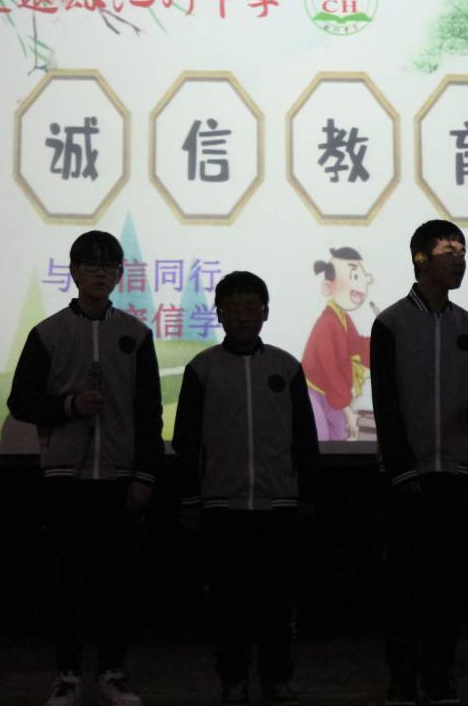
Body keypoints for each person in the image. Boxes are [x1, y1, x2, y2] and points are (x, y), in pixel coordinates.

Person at [7, 230, 163, 706]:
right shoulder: (48, 333)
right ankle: (68, 674)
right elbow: (21, 401)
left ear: (119, 275)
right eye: (91, 265)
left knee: (119, 583)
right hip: (65, 478)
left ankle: (113, 673)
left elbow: (149, 412)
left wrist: (144, 475)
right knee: (67, 582)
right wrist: (70, 405)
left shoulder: (136, 335)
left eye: (109, 266)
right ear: (73, 272)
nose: (100, 273)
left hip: (118, 477)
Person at [172, 271, 320, 705]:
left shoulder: (286, 366)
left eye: (251, 307)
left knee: (278, 602)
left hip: (279, 503)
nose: (242, 316)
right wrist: (189, 498)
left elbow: (305, 437)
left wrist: (308, 494)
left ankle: (276, 677)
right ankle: (233, 679)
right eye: (232, 308)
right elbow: (186, 440)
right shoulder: (201, 368)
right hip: (223, 504)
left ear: (265, 313)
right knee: (228, 603)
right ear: (218, 314)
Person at [370, 219, 468, 706]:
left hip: (458, 475)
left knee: (450, 585)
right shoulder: (391, 322)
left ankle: (439, 674)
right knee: (405, 585)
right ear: (421, 259)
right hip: (409, 478)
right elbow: (385, 402)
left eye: (462, 251)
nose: (460, 260)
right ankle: (402, 676)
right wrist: (403, 469)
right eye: (448, 252)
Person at [302, 246, 373, 441]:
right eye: (354, 277)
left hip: (332, 393)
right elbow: (329, 370)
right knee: (321, 439)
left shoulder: (342, 318)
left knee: (341, 437)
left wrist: (384, 341)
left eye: (361, 276)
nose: (363, 283)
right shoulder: (326, 323)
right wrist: (348, 410)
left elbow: (357, 346)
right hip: (314, 391)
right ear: (328, 287)